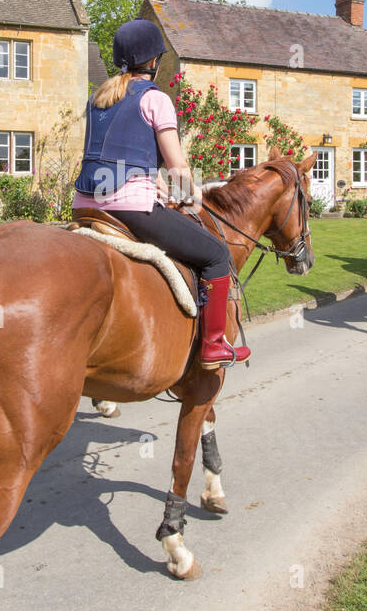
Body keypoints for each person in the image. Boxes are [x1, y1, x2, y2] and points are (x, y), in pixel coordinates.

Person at [73, 19, 249, 369]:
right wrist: (190, 196)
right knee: (215, 253)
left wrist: (162, 187)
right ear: (153, 61)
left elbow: (123, 156)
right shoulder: (156, 99)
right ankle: (214, 345)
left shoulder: (100, 97)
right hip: (130, 208)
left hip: (84, 206)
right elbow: (178, 166)